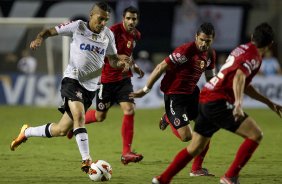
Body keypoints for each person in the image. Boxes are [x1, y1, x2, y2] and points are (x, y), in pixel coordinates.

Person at [150, 22, 282, 184]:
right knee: (255, 135)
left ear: (252, 37)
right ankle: (230, 177)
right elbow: (240, 77)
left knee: (195, 146)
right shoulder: (254, 56)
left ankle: (163, 178)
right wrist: (239, 104)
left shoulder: (242, 48)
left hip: (206, 96)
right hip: (217, 101)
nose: (205, 44)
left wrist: (269, 103)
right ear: (270, 44)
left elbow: (242, 82)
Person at [10, 1, 130, 174]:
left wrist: (121, 64)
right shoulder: (78, 27)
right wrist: (39, 38)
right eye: (100, 19)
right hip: (72, 80)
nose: (103, 23)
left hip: (90, 87)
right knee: (79, 117)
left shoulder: (108, 35)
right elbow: (50, 31)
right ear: (91, 15)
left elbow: (112, 60)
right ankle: (87, 160)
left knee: (61, 129)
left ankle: (27, 132)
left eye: (106, 20)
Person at [130, 22, 216, 176]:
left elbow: (210, 76)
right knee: (187, 137)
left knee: (206, 128)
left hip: (192, 94)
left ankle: (196, 168)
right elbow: (160, 67)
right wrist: (145, 90)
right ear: (196, 37)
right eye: (202, 40)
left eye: (208, 41)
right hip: (174, 95)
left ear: (212, 40)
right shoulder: (186, 51)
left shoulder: (210, 54)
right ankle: (168, 118)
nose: (204, 44)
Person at [67, 6, 145, 165]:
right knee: (99, 116)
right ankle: (73, 125)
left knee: (129, 109)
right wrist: (123, 60)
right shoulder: (111, 32)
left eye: (134, 19)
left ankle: (126, 153)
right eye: (129, 18)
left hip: (124, 80)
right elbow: (107, 55)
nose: (131, 22)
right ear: (123, 18)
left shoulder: (136, 35)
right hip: (107, 80)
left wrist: (134, 66)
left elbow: (128, 55)